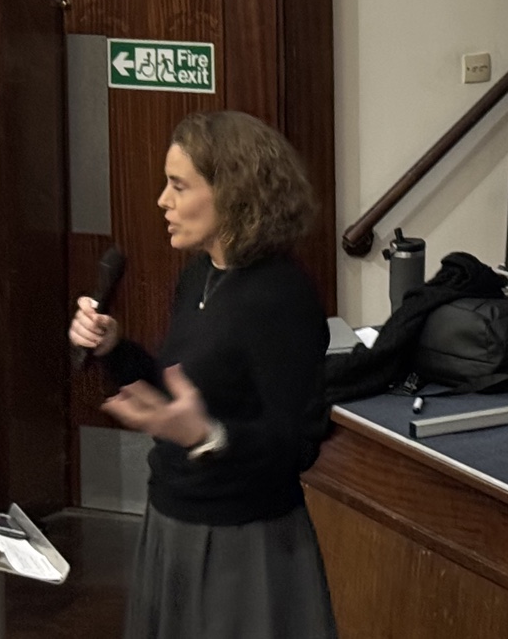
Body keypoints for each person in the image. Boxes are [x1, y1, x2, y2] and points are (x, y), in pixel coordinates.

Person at [69, 110, 337, 639]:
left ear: (234, 193)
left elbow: (295, 443)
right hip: (172, 518)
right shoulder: (199, 276)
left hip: (245, 542)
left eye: (179, 186)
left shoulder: (282, 297)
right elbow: (181, 390)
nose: (162, 201)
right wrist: (114, 348)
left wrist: (208, 436)